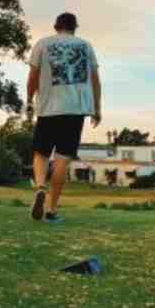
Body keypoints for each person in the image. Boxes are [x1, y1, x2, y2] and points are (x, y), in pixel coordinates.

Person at [26, 12, 101, 222]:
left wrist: (29, 100)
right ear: (75, 27)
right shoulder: (86, 46)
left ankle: (40, 187)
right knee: (62, 158)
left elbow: (32, 78)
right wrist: (97, 108)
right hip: (75, 110)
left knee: (41, 154)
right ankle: (51, 210)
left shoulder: (42, 44)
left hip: (48, 108)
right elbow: (96, 80)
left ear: (55, 26)